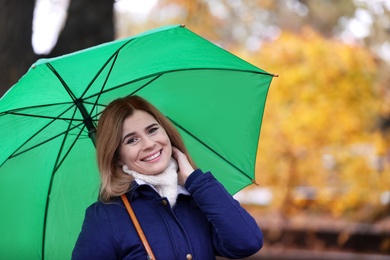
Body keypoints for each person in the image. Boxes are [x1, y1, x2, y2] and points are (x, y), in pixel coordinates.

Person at [72, 95, 263, 259]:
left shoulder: (195, 198)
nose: (149, 144)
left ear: (167, 132)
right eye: (132, 140)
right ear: (117, 155)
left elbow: (247, 242)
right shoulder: (105, 216)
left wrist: (195, 180)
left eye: (152, 130)